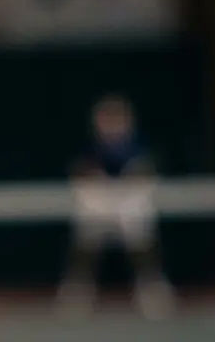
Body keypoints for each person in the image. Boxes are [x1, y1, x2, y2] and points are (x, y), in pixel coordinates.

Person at [56, 94, 174, 320]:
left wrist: (133, 180)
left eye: (116, 118)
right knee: (87, 225)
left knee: (138, 222)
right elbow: (79, 172)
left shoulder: (138, 147)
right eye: (105, 119)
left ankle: (151, 287)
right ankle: (77, 289)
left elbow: (147, 172)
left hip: (129, 200)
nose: (110, 124)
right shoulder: (90, 149)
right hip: (99, 202)